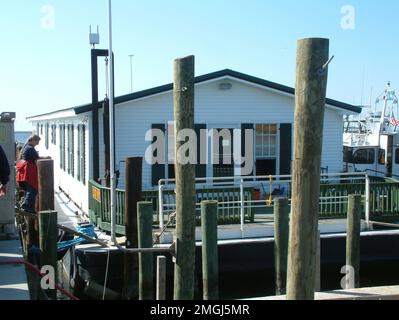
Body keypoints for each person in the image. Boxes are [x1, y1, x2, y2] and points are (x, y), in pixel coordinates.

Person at [16, 135, 49, 213]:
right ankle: (27, 205)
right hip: (29, 171)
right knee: (33, 188)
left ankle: (28, 206)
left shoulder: (26, 147)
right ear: (33, 140)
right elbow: (37, 158)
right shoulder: (30, 149)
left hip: (25, 170)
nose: (37, 144)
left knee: (29, 189)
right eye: (37, 142)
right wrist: (46, 157)